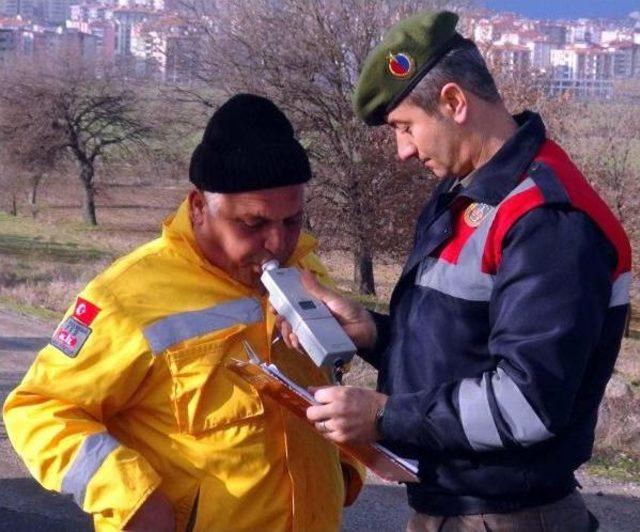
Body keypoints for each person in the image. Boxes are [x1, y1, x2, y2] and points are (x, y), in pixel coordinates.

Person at [278, 11, 631, 532]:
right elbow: (466, 348)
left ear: (453, 102)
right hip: (455, 509)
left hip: (508, 518)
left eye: (404, 127)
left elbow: (527, 403)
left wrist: (381, 415)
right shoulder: (463, 194)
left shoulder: (547, 221)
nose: (401, 151)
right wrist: (372, 332)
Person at [3, 94, 364, 532]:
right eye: (253, 224)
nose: (277, 243)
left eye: (292, 221)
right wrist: (131, 497)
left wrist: (346, 465)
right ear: (198, 207)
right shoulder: (129, 296)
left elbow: (325, 386)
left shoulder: (305, 272)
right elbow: (39, 408)